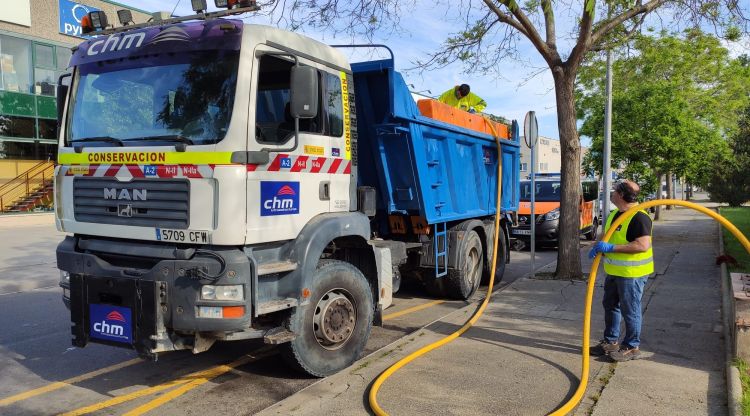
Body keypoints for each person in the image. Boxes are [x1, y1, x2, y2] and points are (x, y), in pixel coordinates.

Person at [588, 180, 654, 362]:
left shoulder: (639, 217)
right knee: (610, 306)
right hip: (615, 272)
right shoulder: (615, 214)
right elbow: (608, 236)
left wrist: (611, 248)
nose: (612, 192)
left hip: (632, 274)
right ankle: (611, 342)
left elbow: (642, 245)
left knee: (630, 310)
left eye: (615, 190)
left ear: (622, 195)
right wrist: (598, 246)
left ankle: (632, 346)